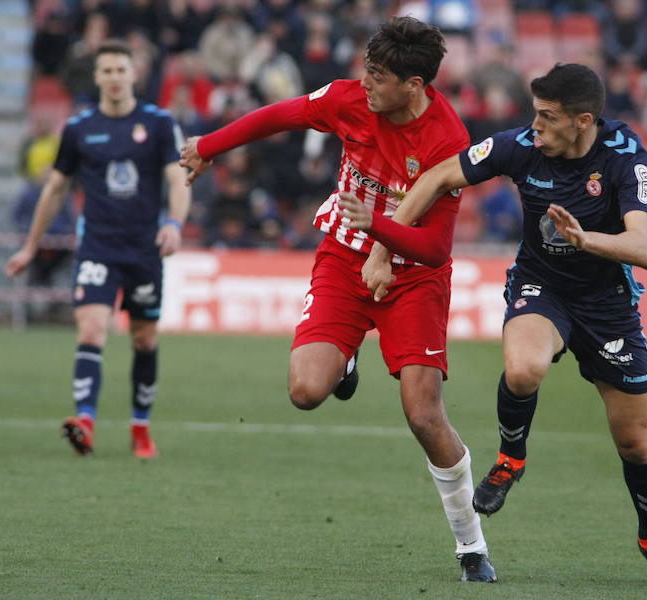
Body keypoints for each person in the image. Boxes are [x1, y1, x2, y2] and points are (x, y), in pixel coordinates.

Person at [341, 63, 647, 585]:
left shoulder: (624, 157)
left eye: (548, 117)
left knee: (635, 442)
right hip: (541, 284)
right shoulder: (520, 145)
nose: (536, 125)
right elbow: (438, 176)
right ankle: (511, 458)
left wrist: (588, 240)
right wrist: (384, 248)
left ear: (583, 121)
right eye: (535, 113)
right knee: (523, 369)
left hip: (606, 301)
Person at [178, 17, 497, 583]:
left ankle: (471, 545)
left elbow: (434, 246)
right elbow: (281, 114)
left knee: (423, 414)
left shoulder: (449, 141)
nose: (365, 82)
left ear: (415, 84)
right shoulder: (350, 100)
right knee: (304, 391)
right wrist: (208, 146)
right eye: (366, 70)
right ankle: (347, 354)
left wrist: (379, 227)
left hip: (414, 278)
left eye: (378, 74)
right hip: (344, 257)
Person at [6, 39, 190, 459]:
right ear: (96, 77)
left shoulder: (159, 123)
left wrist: (175, 225)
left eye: (120, 70)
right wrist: (31, 247)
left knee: (144, 339)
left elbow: (177, 179)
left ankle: (140, 429)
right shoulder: (79, 128)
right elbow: (55, 189)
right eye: (105, 71)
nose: (113, 78)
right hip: (97, 248)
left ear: (133, 74)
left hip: (144, 250)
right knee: (91, 330)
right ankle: (85, 423)